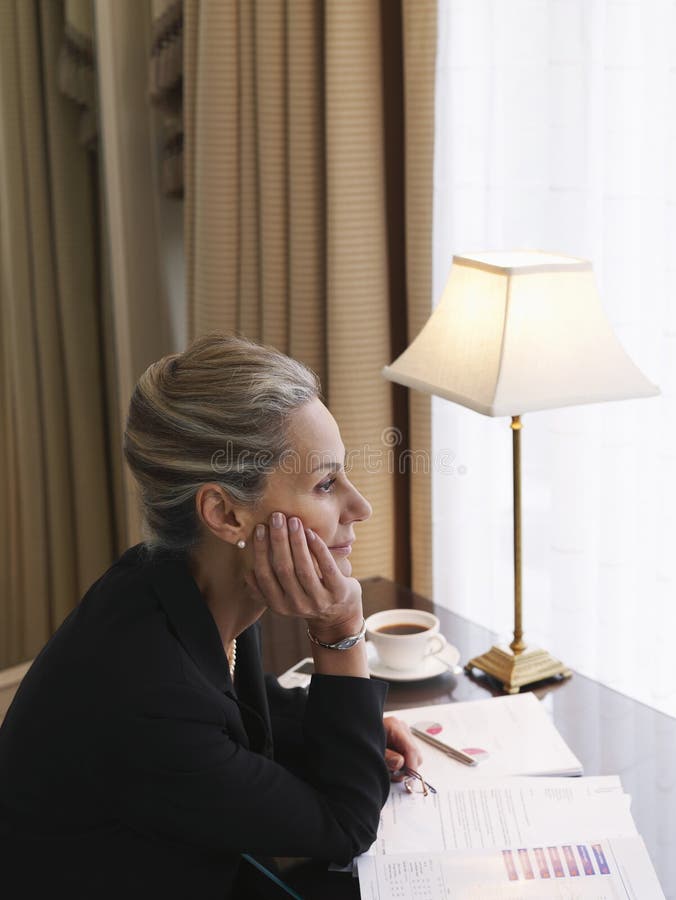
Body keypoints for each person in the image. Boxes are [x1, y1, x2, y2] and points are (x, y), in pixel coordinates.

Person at [0, 333, 421, 898]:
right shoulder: (148, 697)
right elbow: (345, 826)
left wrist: (355, 728)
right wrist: (339, 632)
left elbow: (233, 706)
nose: (359, 506)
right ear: (224, 513)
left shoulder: (168, 579)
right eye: (325, 483)